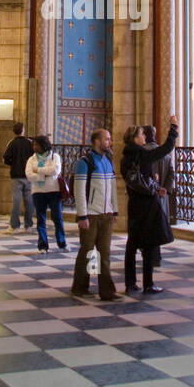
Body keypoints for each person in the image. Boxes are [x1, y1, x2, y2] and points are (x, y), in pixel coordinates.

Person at [123, 117, 179, 292]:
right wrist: (173, 128)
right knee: (149, 245)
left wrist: (154, 183)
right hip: (147, 205)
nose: (144, 138)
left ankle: (130, 283)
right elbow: (166, 148)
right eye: (141, 135)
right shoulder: (142, 155)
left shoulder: (126, 156)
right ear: (135, 138)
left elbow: (138, 179)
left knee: (132, 245)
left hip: (135, 204)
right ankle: (148, 284)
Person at [72, 128, 119, 299]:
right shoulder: (84, 162)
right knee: (87, 251)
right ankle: (80, 286)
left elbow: (113, 187)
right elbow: (79, 191)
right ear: (97, 141)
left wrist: (114, 209)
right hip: (91, 215)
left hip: (106, 214)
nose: (110, 142)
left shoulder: (107, 161)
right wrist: (82, 215)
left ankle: (107, 291)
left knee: (104, 253)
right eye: (107, 139)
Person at [27, 135, 66, 252]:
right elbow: (29, 175)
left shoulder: (55, 157)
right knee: (41, 219)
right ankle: (43, 245)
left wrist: (38, 170)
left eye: (37, 145)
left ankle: (62, 243)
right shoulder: (32, 160)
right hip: (38, 192)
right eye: (33, 145)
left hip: (54, 190)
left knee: (57, 218)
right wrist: (45, 175)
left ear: (44, 145)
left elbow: (55, 170)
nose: (34, 147)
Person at [2, 122, 35, 233]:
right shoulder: (30, 143)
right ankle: (28, 225)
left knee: (16, 201)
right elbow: (34, 157)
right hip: (28, 176)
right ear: (23, 130)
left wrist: (13, 164)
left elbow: (6, 158)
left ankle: (14, 226)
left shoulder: (12, 143)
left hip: (16, 176)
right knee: (29, 201)